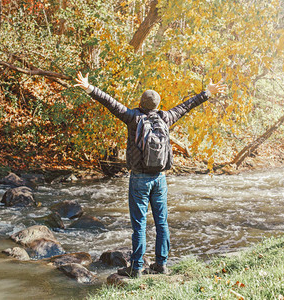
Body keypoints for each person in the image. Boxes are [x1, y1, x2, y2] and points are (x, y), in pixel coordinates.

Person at [75, 72, 227, 278]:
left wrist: (88, 87)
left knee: (139, 226)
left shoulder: (132, 117)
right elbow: (186, 105)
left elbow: (110, 102)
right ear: (158, 105)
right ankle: (161, 265)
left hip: (139, 179)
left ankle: (136, 268)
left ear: (140, 103)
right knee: (161, 223)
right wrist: (208, 92)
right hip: (160, 179)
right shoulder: (166, 117)